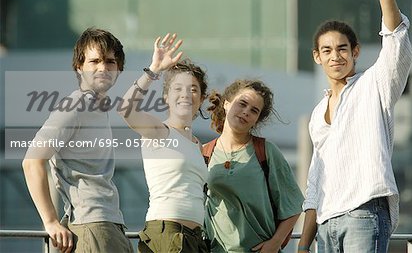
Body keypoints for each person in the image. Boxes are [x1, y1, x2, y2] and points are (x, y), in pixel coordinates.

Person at [298, 0, 412, 252]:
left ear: (355, 52)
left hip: (365, 213)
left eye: (342, 49)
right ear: (317, 57)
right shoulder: (318, 114)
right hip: (325, 225)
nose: (335, 56)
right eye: (327, 50)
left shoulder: (374, 84)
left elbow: (396, 44)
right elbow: (315, 184)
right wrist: (303, 244)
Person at [22, 28, 134, 253]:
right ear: (79, 67)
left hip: (109, 224)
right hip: (92, 226)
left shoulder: (96, 107)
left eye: (110, 62)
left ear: (119, 70)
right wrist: (50, 221)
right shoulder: (76, 104)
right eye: (95, 61)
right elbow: (31, 160)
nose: (103, 68)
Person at [119, 33, 209, 253]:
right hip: (167, 234)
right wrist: (154, 70)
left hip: (195, 239)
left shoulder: (197, 144)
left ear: (202, 99)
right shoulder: (159, 131)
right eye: (178, 89)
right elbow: (125, 110)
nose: (186, 94)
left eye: (193, 89)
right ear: (166, 97)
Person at [204, 79, 304, 253]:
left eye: (254, 111)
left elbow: (294, 205)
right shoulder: (205, 153)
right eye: (242, 104)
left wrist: (275, 243)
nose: (245, 112)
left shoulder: (266, 151)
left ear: (256, 120)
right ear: (226, 104)